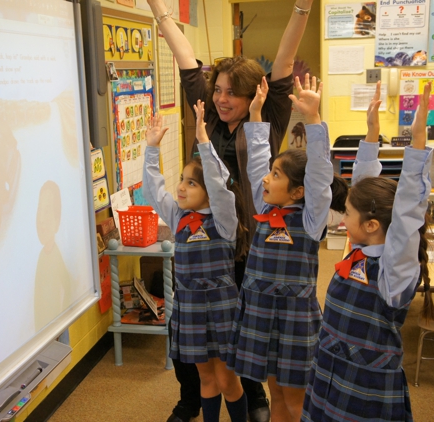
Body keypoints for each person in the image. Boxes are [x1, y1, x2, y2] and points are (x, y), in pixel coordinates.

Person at [146, 1, 314, 420]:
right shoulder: (210, 113)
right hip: (203, 234)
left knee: (242, 325)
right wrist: (160, 10)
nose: (221, 99)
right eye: (216, 90)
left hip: (250, 239)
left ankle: (251, 396)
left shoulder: (268, 114)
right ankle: (190, 400)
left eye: (231, 93)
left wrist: (300, 8)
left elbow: (285, 58)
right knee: (193, 324)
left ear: (252, 94)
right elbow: (186, 58)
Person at [301, 81, 433, 421]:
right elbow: (362, 185)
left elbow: (405, 214)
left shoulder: (394, 271)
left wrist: (418, 144)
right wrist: (371, 133)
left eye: (348, 214)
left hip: (364, 389)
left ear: (372, 225)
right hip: (330, 374)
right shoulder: (360, 249)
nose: (343, 218)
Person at [226, 74, 348, 422]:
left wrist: (313, 119)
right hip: (260, 314)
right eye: (271, 173)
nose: (266, 178)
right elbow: (256, 161)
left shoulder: (311, 220)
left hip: (294, 319)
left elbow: (321, 176)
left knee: (297, 401)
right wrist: (255, 114)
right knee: (275, 394)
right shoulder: (265, 211)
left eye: (276, 176)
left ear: (298, 191)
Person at [142, 106, 249, 422]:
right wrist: (151, 149)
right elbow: (153, 190)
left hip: (222, 306)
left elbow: (219, 185)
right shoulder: (178, 217)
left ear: (209, 192)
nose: (181, 188)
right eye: (182, 180)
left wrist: (204, 141)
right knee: (205, 378)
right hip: (189, 307)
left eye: (191, 183)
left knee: (228, 379)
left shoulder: (224, 219)